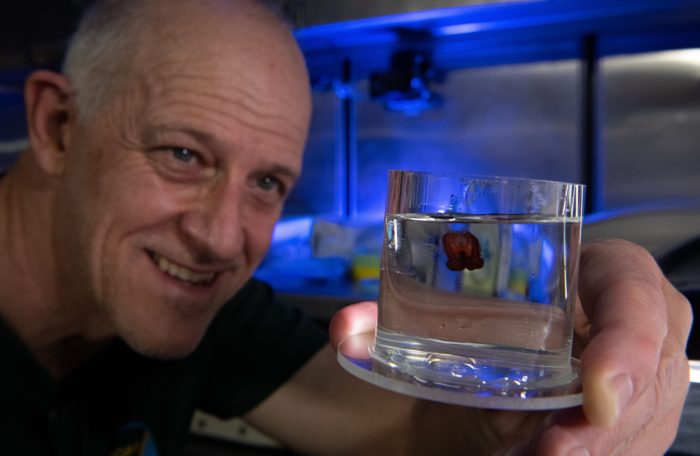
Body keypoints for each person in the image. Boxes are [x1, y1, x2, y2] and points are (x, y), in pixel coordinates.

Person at [0, 0, 692, 454]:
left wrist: (531, 396)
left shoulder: (198, 300)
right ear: (58, 127)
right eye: (182, 155)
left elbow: (396, 425)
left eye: (268, 183)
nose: (220, 239)